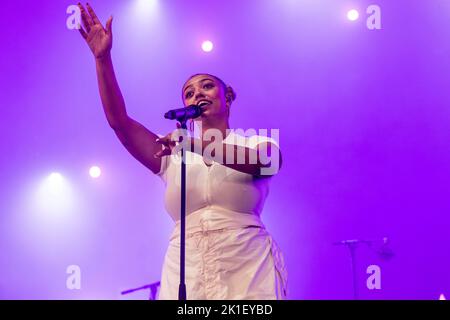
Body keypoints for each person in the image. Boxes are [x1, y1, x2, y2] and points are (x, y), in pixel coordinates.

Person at [77, 3, 287, 299]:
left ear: (227, 96)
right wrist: (103, 60)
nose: (197, 93)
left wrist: (193, 145)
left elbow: (263, 163)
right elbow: (120, 123)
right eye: (189, 92)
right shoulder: (173, 152)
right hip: (186, 266)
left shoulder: (253, 142)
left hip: (246, 265)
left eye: (207, 86)